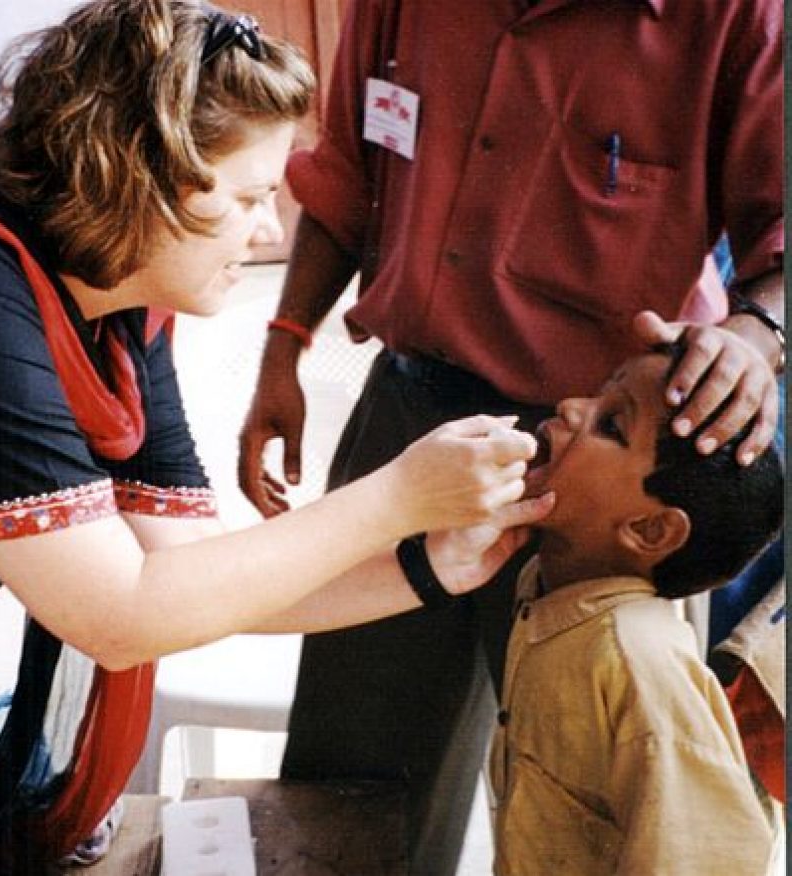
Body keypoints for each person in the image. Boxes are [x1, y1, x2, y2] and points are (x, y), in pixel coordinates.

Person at [0, 2, 555, 872]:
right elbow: (121, 612)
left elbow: (193, 578)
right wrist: (397, 497)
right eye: (252, 196)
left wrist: (429, 565)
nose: (268, 231)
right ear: (137, 172)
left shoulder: (124, 322)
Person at [237, 1, 784, 872]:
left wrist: (758, 338)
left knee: (598, 784)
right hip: (409, 420)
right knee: (351, 776)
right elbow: (347, 171)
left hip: (610, 474)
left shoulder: (736, 21)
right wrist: (285, 344)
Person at [487, 341, 783, 875]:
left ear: (651, 530)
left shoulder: (640, 663)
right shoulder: (542, 584)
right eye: (600, 395)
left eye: (609, 424)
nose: (572, 406)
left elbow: (702, 857)